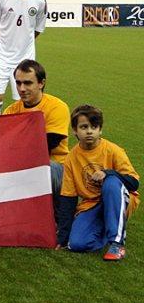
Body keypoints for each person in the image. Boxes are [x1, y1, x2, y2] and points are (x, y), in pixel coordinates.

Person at [56, 105, 139, 261]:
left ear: (100, 130)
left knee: (111, 182)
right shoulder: (71, 158)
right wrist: (63, 236)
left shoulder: (113, 150)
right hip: (91, 204)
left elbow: (134, 183)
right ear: (74, 131)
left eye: (94, 127)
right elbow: (68, 198)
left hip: (119, 199)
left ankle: (117, 243)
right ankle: (107, 227)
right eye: (84, 127)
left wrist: (108, 173)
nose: (89, 131)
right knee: (76, 244)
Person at [3, 59, 69, 202]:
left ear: (41, 83)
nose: (21, 89)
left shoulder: (57, 107)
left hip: (55, 166)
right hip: (22, 164)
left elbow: (49, 143)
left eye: (27, 83)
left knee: (47, 169)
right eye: (18, 83)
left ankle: (59, 213)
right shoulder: (10, 111)